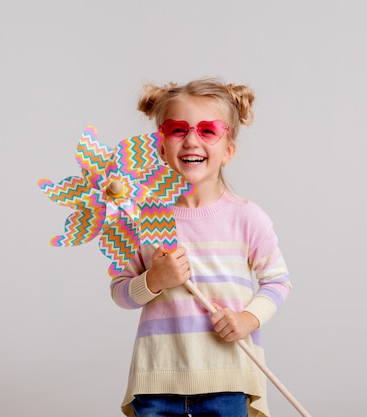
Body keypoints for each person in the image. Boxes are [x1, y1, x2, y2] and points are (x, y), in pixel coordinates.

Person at [110, 77, 292, 417]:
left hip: (227, 380)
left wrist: (249, 319)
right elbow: (120, 292)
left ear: (228, 150)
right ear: (161, 146)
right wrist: (154, 280)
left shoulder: (247, 217)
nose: (191, 140)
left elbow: (277, 282)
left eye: (208, 131)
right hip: (157, 383)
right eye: (178, 130)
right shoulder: (139, 218)